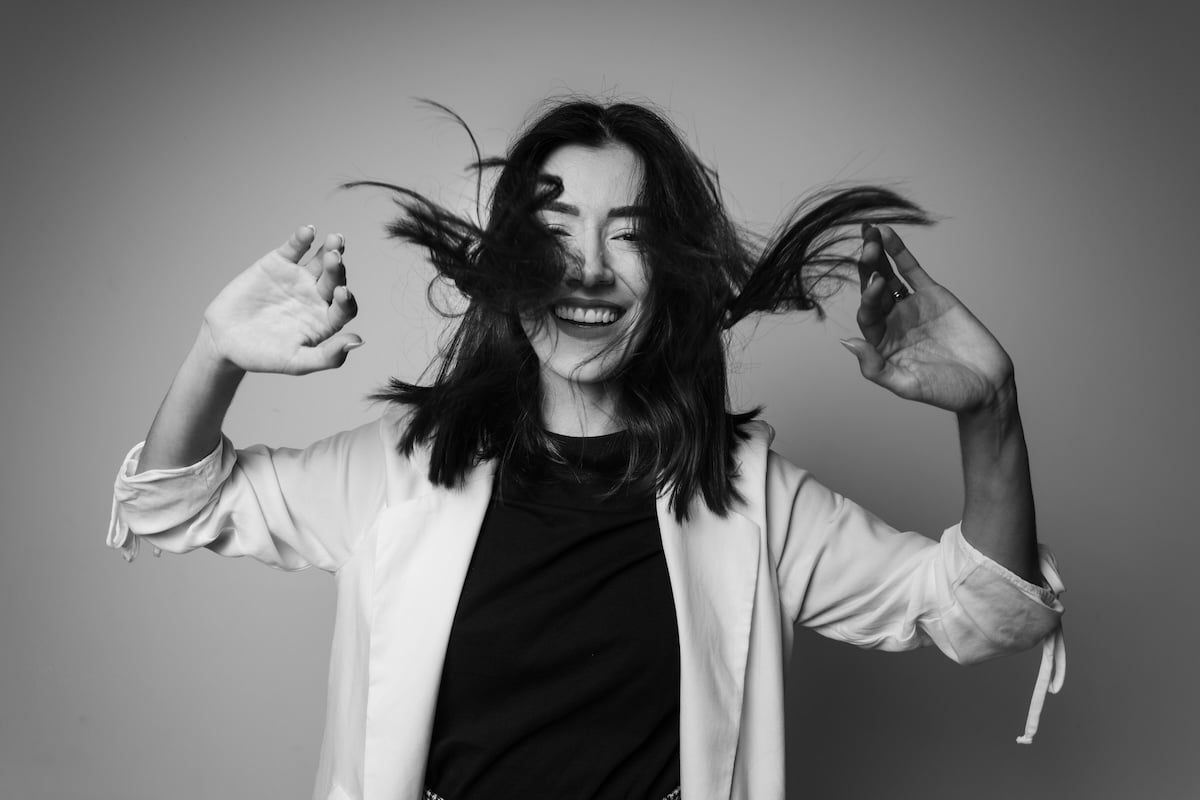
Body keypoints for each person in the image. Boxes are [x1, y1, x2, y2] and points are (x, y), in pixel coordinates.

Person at [108, 99, 1065, 800]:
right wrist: (214, 355)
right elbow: (174, 505)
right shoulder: (398, 469)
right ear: (508, 262)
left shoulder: (751, 496)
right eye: (555, 231)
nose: (590, 269)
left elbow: (985, 616)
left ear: (675, 274)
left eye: (630, 236)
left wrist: (992, 409)